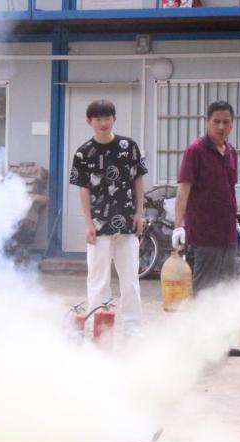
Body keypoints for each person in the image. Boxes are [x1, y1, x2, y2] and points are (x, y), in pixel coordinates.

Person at [172, 100, 240, 357]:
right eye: (216, 121)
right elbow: (183, 190)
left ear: (232, 124)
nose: (221, 126)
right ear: (207, 122)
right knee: (204, 290)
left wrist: (235, 222)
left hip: (227, 232)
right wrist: (178, 226)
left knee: (225, 289)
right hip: (203, 234)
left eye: (226, 122)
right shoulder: (195, 151)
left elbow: (229, 190)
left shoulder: (231, 152)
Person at [70, 99, 147, 330]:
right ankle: (99, 328)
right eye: (98, 119)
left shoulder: (129, 147)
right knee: (98, 280)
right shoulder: (83, 153)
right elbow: (83, 189)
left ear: (115, 118)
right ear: (89, 121)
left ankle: (133, 329)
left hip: (127, 224)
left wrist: (139, 213)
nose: (103, 123)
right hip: (98, 226)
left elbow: (138, 180)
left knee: (130, 280)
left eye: (107, 118)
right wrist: (88, 223)